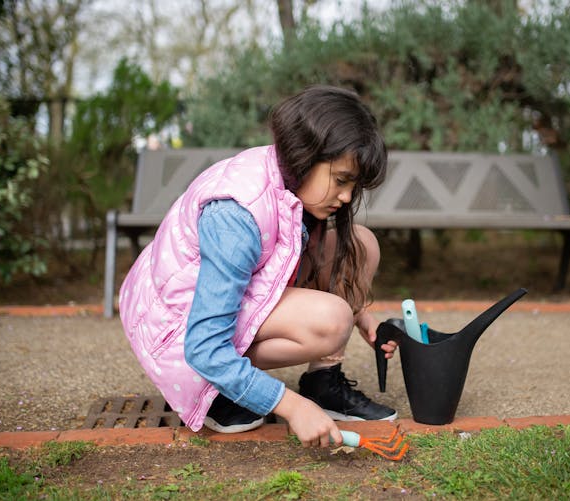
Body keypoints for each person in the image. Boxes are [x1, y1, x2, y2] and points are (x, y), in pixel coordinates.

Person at [118, 85, 398, 448]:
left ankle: (323, 384)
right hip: (180, 330)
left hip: (218, 306)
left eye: (353, 186)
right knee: (331, 322)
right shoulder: (235, 214)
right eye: (341, 180)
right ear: (306, 154)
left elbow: (285, 258)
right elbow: (203, 346)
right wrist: (291, 407)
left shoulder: (290, 181)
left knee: (360, 245)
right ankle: (218, 391)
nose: (346, 197)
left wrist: (363, 316)